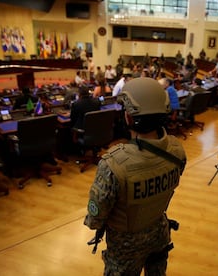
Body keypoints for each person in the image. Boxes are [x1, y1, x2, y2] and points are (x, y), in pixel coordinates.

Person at [83, 77, 186, 275]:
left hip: (125, 247)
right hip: (159, 233)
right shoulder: (177, 150)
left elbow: (95, 219)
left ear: (129, 117)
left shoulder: (113, 164)